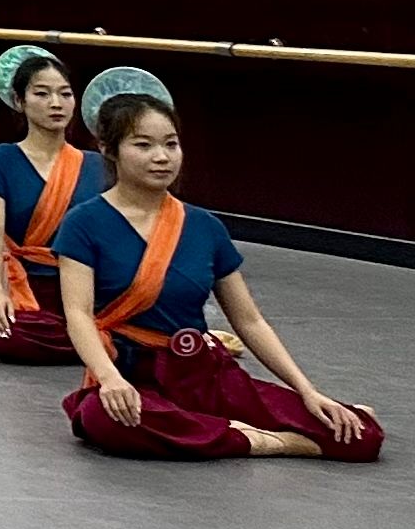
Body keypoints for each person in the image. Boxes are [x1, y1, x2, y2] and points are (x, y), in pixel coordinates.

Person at [55, 67, 381, 463]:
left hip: (201, 374)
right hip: (132, 374)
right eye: (143, 145)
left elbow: (249, 321)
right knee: (105, 418)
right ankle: (264, 441)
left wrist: (307, 391)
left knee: (361, 435)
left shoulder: (204, 227)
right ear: (109, 150)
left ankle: (217, 432)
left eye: (171, 144)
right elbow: (78, 315)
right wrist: (109, 379)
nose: (162, 157)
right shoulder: (84, 223)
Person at [0, 44, 95, 367]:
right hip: (30, 291)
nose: (56, 103)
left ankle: (97, 338)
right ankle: (101, 344)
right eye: (42, 94)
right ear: (19, 101)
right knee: (7, 336)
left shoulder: (97, 165)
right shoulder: (0, 160)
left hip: (87, 289)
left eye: (65, 94)